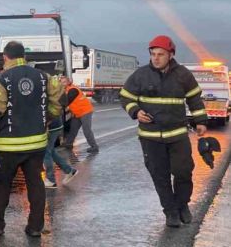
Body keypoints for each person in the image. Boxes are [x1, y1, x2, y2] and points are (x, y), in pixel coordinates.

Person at [0, 41, 63, 237]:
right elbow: (58, 102)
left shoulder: (2, 78)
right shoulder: (43, 77)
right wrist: (46, 118)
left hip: (9, 145)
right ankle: (35, 227)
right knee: (35, 184)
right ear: (24, 56)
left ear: (5, 57)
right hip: (37, 144)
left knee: (2, 184)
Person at [119, 35, 207, 227]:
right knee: (160, 175)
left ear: (170, 55)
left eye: (160, 54)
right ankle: (170, 212)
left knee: (183, 172)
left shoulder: (183, 75)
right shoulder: (140, 75)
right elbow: (125, 97)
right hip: (150, 137)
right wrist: (135, 111)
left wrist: (200, 121)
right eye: (153, 54)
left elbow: (194, 99)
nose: (156, 58)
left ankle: (182, 205)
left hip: (177, 135)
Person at [43, 97, 78, 188]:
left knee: (46, 152)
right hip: (56, 125)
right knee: (51, 151)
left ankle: (51, 180)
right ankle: (69, 170)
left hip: (51, 126)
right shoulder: (46, 88)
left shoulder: (40, 92)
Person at [61, 76, 99, 153]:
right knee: (73, 129)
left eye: (64, 82)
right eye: (61, 82)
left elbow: (66, 101)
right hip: (77, 113)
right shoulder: (66, 89)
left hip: (85, 111)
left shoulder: (73, 90)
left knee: (86, 130)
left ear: (69, 82)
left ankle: (94, 147)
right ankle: (68, 144)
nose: (62, 84)